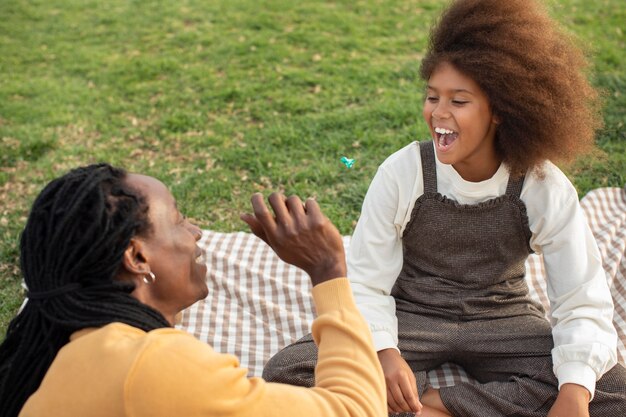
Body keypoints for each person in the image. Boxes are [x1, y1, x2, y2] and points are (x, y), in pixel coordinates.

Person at [261, 1, 626, 416]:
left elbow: (580, 297)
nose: (438, 113)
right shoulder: (404, 171)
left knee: (610, 391)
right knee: (291, 370)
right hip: (413, 313)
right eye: (433, 97)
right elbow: (366, 280)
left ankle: (434, 405)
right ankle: (441, 400)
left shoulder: (541, 184)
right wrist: (384, 352)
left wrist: (574, 392)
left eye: (459, 100)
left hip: (502, 317)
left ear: (501, 112)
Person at [0, 163, 386, 417]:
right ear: (137, 257)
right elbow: (355, 410)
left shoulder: (71, 348)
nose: (197, 233)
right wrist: (328, 269)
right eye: (179, 221)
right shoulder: (152, 363)